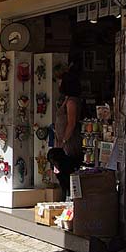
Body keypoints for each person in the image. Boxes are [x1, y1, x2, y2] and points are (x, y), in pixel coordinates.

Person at [51, 69, 84, 201]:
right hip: (61, 140)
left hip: (69, 142)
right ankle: (66, 196)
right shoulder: (66, 99)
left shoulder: (72, 102)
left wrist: (64, 139)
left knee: (66, 168)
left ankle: (69, 197)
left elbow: (71, 123)